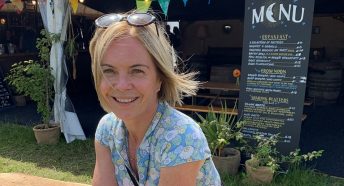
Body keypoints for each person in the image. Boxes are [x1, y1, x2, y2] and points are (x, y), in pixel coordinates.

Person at [89, 10, 221, 186]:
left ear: (160, 78)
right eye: (109, 71)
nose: (121, 85)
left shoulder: (181, 137)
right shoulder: (107, 129)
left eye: (137, 71)